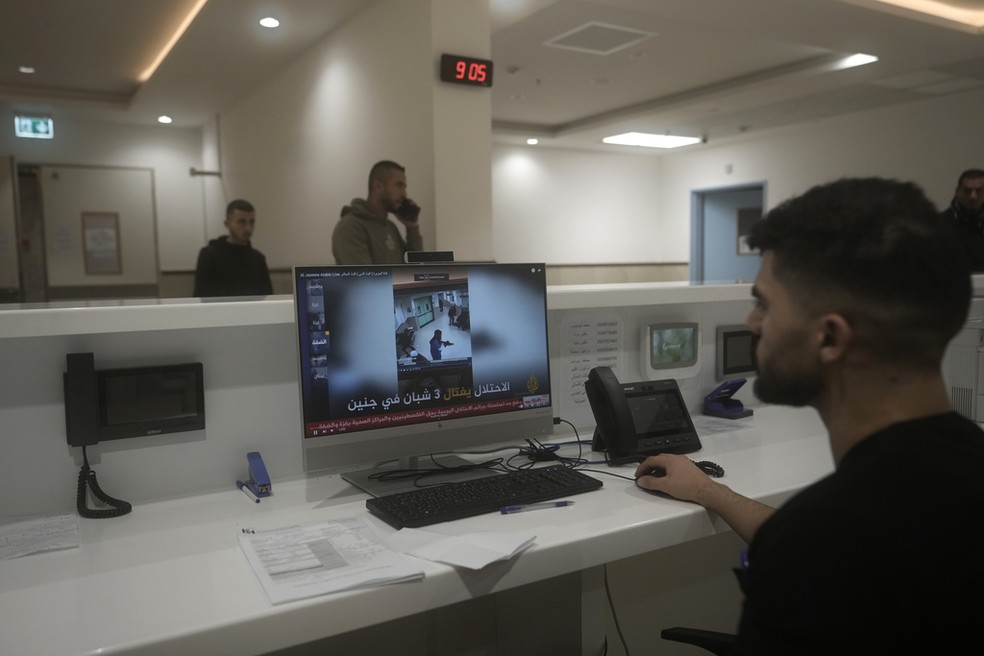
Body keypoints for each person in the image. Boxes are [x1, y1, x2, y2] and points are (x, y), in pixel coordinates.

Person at [634, 178, 984, 653]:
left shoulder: (816, 548)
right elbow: (840, 543)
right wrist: (710, 492)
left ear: (830, 338)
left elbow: (820, 545)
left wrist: (791, 547)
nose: (752, 322)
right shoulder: (957, 471)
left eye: (764, 304)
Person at [332, 160, 423, 264]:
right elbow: (365, 274)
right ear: (378, 186)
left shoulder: (390, 227)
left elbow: (416, 266)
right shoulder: (350, 227)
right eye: (399, 185)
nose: (404, 194)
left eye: (404, 187)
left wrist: (412, 227)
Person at [193, 199, 273, 297]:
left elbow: (267, 297)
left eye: (252, 222)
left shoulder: (258, 259)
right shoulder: (209, 255)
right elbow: (200, 296)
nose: (248, 228)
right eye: (241, 222)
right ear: (227, 223)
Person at [939, 168, 984, 271]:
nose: (973, 196)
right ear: (957, 192)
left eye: (979, 191)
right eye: (967, 191)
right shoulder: (939, 224)